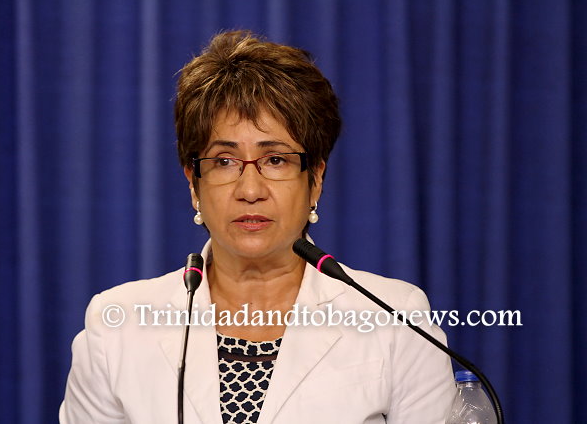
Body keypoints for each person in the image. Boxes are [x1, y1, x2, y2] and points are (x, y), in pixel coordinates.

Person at [60, 30, 455, 423]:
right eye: (224, 161)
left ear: (315, 179)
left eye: (276, 160)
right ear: (193, 183)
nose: (250, 190)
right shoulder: (117, 326)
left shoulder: (397, 319)